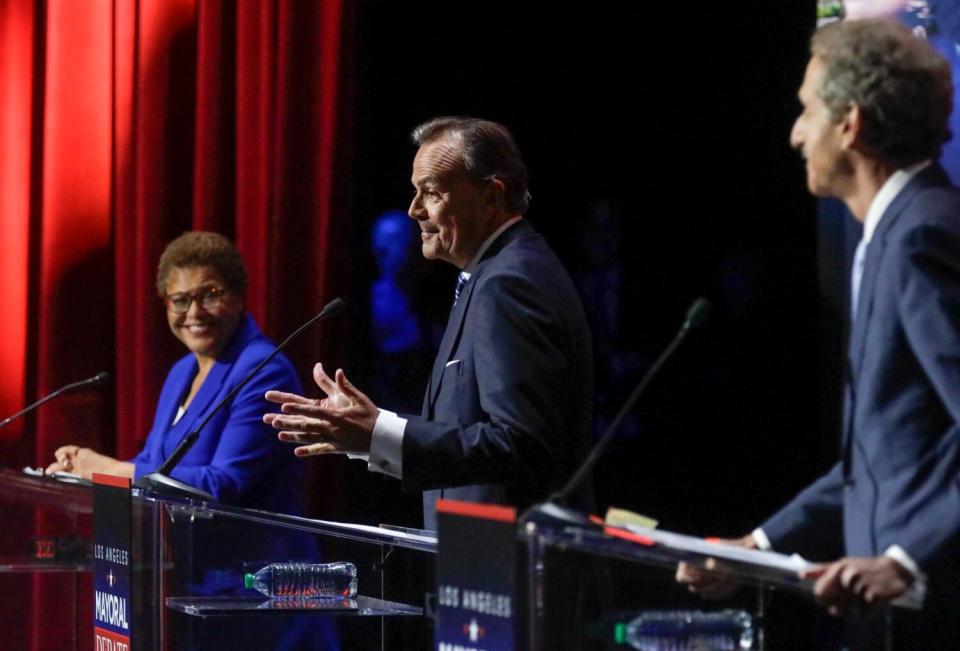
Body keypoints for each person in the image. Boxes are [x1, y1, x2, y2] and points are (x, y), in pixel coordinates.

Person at [678, 18, 960, 647]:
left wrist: (908, 560)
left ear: (851, 124)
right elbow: (881, 459)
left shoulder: (922, 236)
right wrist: (757, 546)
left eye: (806, 111)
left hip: (934, 609)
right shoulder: (894, 233)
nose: (795, 133)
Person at [264, 117, 594, 530]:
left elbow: (521, 444)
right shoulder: (491, 273)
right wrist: (368, 436)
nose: (414, 210)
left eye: (432, 193)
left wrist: (380, 433)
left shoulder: (510, 282)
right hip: (484, 563)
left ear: (492, 196)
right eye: (415, 191)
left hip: (515, 568)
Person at [47, 231, 305, 515]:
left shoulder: (264, 371)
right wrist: (80, 473)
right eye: (180, 300)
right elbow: (153, 460)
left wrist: (107, 469)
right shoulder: (181, 372)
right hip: (180, 554)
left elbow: (225, 484)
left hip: (253, 557)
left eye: (209, 295)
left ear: (238, 297)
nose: (194, 312)